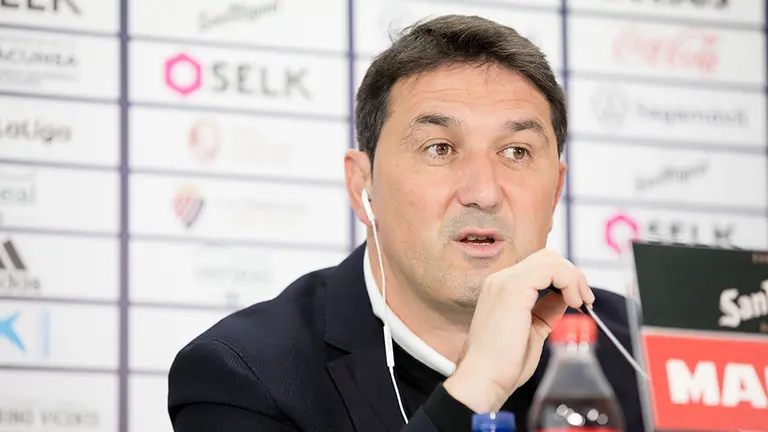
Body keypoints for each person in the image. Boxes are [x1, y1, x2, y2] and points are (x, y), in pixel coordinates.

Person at [167, 14, 646, 432]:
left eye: (516, 152)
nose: (483, 191)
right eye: (440, 149)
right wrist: (473, 389)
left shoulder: (646, 354)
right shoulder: (247, 376)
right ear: (362, 186)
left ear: (557, 188)